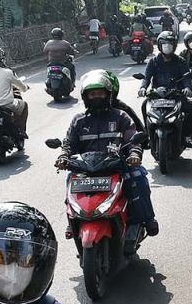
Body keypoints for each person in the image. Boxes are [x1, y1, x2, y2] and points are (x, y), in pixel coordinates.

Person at [56, 70, 159, 239]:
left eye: (100, 93)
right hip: (86, 169)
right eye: (92, 94)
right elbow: (69, 143)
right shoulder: (78, 120)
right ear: (85, 96)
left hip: (116, 166)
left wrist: (134, 154)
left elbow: (132, 139)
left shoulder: (121, 117)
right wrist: (63, 156)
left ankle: (148, 218)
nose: (96, 97)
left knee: (138, 175)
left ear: (108, 95)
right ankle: (72, 221)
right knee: (69, 180)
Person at [140, 31, 192, 147]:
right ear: (159, 46)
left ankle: (186, 136)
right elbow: (147, 77)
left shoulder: (180, 61)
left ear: (174, 46)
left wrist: (187, 87)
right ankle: (148, 135)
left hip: (176, 95)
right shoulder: (153, 62)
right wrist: (143, 88)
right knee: (144, 105)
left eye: (170, 44)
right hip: (157, 96)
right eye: (164, 44)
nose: (167, 47)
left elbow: (186, 77)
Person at [0, 47, 30, 136]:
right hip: (6, 105)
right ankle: (21, 131)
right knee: (24, 105)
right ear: (2, 59)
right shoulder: (8, 72)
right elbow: (21, 86)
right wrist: (25, 88)